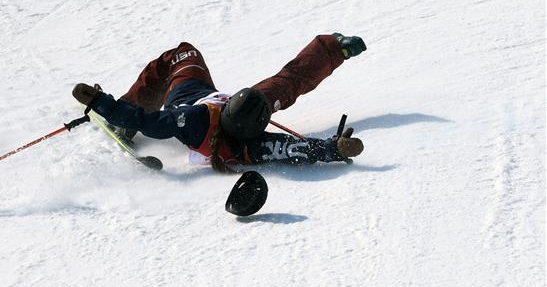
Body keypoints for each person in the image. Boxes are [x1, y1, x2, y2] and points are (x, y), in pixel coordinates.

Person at [72, 33, 367, 172]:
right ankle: (333, 49)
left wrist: (102, 102)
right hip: (229, 104)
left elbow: (144, 121)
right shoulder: (254, 144)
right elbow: (296, 149)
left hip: (189, 95)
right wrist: (334, 148)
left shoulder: (192, 121)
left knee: (183, 52)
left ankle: (120, 119)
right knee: (285, 84)